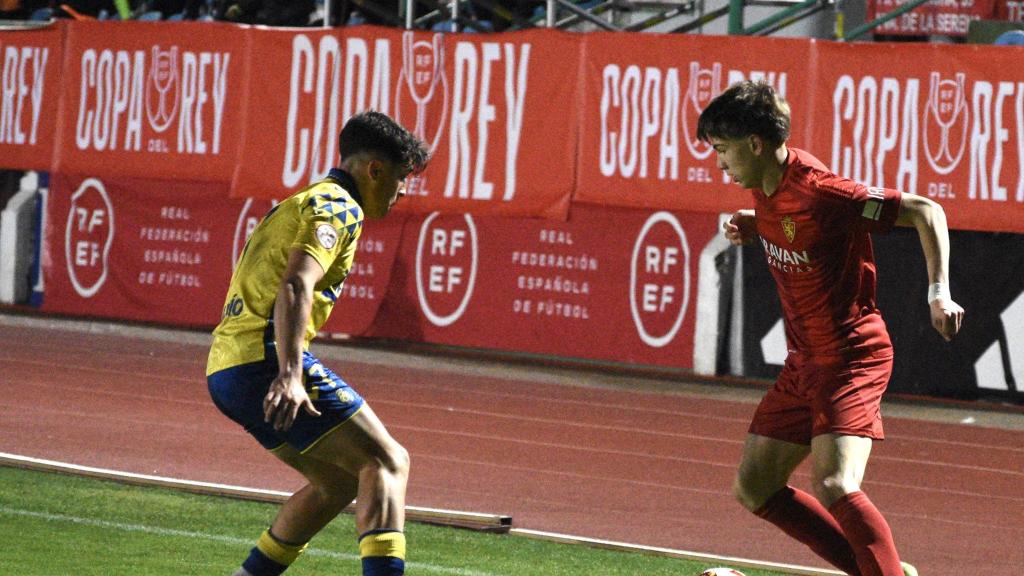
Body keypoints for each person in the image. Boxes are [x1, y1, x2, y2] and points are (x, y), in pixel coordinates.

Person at [697, 81, 964, 576]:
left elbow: (927, 211)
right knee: (754, 486)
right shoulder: (766, 186)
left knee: (836, 483)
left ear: (755, 144)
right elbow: (790, 224)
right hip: (804, 362)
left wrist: (939, 293)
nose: (719, 163)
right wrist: (756, 224)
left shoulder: (822, 193)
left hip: (850, 357)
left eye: (722, 150)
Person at [207, 111, 429, 576]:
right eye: (402, 177)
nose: (403, 191)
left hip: (227, 369)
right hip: (265, 363)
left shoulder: (304, 200)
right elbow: (296, 283)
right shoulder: (338, 206)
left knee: (337, 482)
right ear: (375, 170)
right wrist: (290, 375)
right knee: (388, 461)